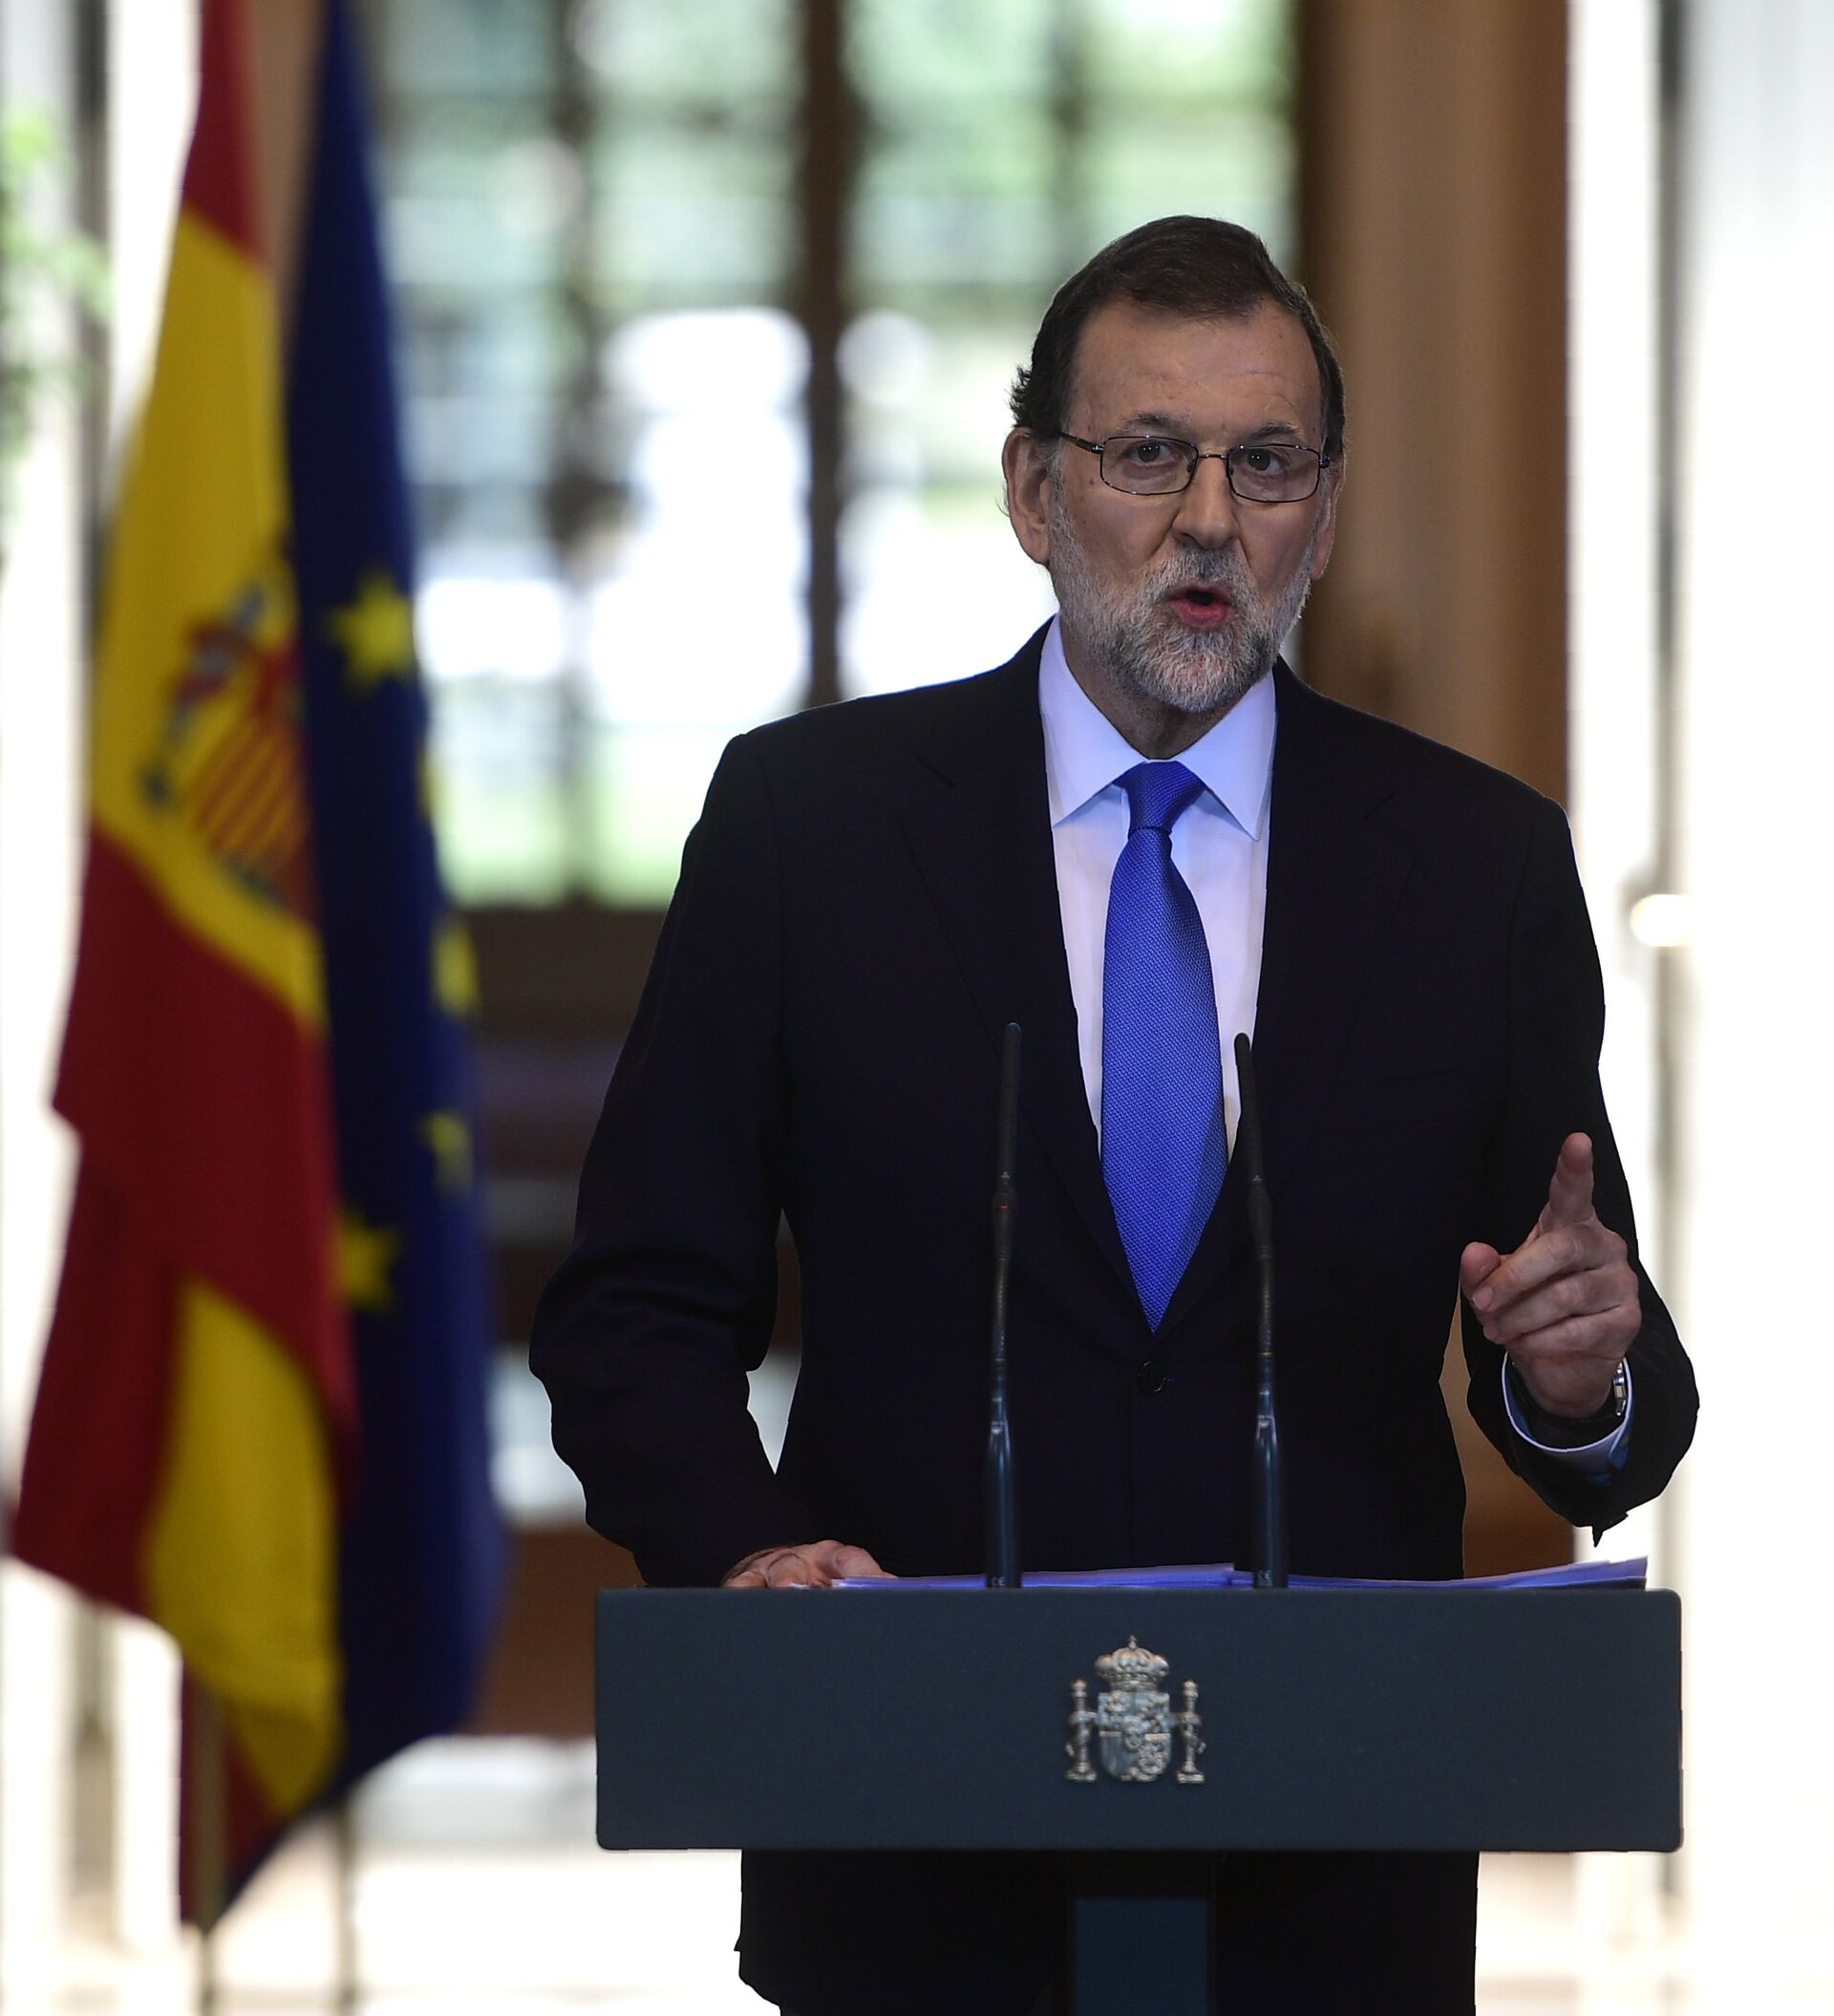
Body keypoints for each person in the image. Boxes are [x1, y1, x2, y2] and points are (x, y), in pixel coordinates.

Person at [531, 216, 1697, 2015]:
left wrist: (1577, 1375)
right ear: (1032, 489)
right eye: (1150, 455)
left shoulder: (1476, 867)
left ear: (1326, 508)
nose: (1210, 519)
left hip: (1336, 1864)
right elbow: (634, 1307)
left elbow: (1598, 1381)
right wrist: (744, 1548)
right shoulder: (809, 830)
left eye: (1268, 463)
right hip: (908, 1838)